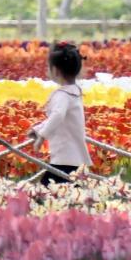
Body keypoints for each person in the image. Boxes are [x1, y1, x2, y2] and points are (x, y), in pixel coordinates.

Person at [29, 42, 91, 185]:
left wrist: (42, 136)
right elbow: (59, 118)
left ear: (55, 71)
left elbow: (57, 116)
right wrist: (38, 129)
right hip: (75, 158)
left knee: (45, 192)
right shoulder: (75, 91)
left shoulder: (62, 94)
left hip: (65, 159)